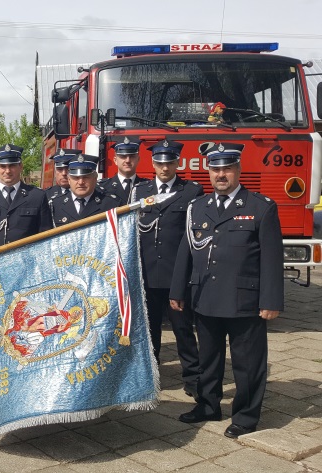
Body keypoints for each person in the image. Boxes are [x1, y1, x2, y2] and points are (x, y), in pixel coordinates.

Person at [170, 142, 283, 439]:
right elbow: (186, 251)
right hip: (205, 296)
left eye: (227, 168)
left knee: (247, 363)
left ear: (238, 170)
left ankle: (245, 416)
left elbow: (272, 259)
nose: (221, 174)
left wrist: (271, 300)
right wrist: (177, 290)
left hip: (244, 299)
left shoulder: (261, 206)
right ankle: (208, 405)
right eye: (215, 169)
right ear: (208, 171)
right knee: (208, 359)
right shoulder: (198, 207)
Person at [132, 140, 203, 398]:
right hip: (148, 274)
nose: (165, 168)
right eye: (160, 163)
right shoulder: (140, 191)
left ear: (177, 163)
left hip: (177, 275)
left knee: (183, 330)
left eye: (170, 163)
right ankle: (151, 378)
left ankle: (193, 379)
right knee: (149, 332)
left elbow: (193, 235)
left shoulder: (191, 191)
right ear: (153, 164)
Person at [0, 144, 53, 249]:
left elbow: (46, 237)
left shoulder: (37, 196)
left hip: (27, 258)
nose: (7, 171)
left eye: (12, 166)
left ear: (21, 167)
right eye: (3, 166)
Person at [49, 154, 119, 226]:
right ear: (69, 180)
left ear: (95, 179)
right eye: (76, 178)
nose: (80, 182)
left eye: (86, 177)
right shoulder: (55, 205)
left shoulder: (110, 204)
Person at [98, 138, 148, 206]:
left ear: (138, 159)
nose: (127, 160)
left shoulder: (148, 187)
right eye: (123, 156)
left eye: (132, 156)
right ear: (115, 160)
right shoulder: (102, 188)